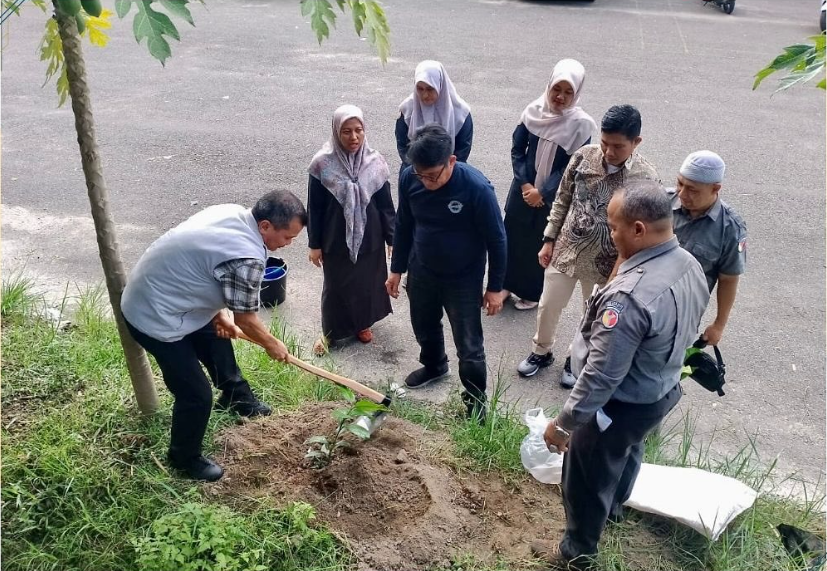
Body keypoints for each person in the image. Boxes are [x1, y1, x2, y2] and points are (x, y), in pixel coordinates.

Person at [531, 181, 709, 570]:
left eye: (614, 227)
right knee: (628, 452)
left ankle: (577, 552)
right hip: (659, 391)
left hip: (619, 403)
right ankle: (613, 510)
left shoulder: (628, 297)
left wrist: (564, 425)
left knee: (585, 476)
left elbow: (601, 376)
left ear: (639, 229)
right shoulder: (689, 264)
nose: (611, 234)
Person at [121, 191, 307, 482]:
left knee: (218, 335)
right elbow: (246, 320)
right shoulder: (248, 258)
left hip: (171, 295)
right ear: (265, 226)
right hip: (156, 316)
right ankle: (184, 458)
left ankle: (237, 398)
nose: (288, 245)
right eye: (287, 237)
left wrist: (218, 314)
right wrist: (272, 344)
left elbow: (205, 269)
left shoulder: (233, 212)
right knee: (195, 394)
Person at [516, 104, 659, 386]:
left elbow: (642, 229)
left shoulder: (645, 177)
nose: (608, 151)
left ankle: (575, 359)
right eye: (605, 143)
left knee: (591, 316)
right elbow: (562, 200)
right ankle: (540, 351)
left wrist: (627, 268)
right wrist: (548, 239)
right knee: (548, 305)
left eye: (618, 146)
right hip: (567, 249)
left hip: (608, 261)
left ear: (636, 142)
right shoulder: (582, 157)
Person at [386, 124, 506, 421]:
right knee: (423, 324)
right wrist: (396, 269)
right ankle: (435, 364)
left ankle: (476, 404)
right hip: (422, 268)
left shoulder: (476, 188)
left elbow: (498, 240)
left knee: (469, 344)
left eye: (432, 175)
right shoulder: (409, 177)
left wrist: (495, 288)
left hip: (463, 278)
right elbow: (404, 224)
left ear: (451, 161)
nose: (425, 181)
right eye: (420, 174)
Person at [501, 59, 596, 310]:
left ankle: (531, 293)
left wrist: (542, 192)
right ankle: (504, 285)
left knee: (539, 241)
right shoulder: (533, 111)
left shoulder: (581, 125)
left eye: (568, 92)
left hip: (552, 196)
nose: (560, 97)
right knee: (512, 235)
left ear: (577, 94)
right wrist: (525, 186)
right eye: (557, 89)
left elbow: (571, 166)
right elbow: (517, 150)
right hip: (522, 190)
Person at [307, 104, 395, 354]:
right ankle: (331, 333)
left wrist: (392, 238)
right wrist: (314, 244)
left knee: (368, 283)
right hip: (336, 238)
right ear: (336, 132)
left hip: (371, 237)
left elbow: (386, 205)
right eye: (346, 131)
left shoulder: (375, 162)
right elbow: (315, 207)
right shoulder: (322, 165)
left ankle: (363, 324)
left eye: (358, 130)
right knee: (336, 286)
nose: (354, 137)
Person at [671, 150, 746, 345]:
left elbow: (728, 279)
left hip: (682, 317)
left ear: (715, 188)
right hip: (642, 303)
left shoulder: (730, 229)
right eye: (679, 183)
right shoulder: (662, 204)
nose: (682, 193)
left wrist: (719, 325)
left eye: (693, 190)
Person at [395, 60, 473, 171]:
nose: (425, 95)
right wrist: (421, 173)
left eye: (430, 89)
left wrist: (439, 174)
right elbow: (403, 147)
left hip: (449, 173)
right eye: (420, 89)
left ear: (440, 85)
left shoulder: (460, 113)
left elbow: (462, 152)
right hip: (415, 173)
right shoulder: (408, 110)